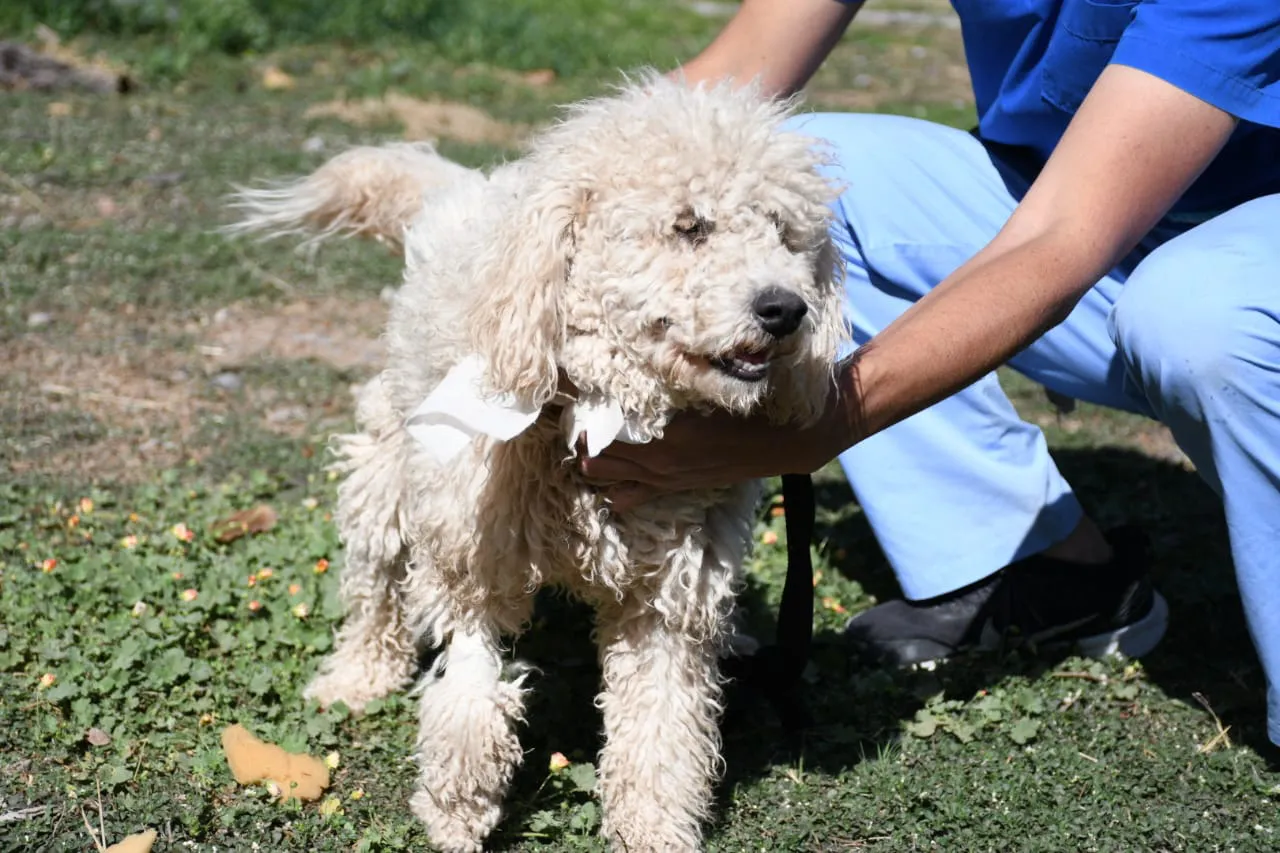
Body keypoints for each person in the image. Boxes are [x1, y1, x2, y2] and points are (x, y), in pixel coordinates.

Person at [579, 0, 1280, 750]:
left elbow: (1061, 238)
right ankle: (1033, 565)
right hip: (1071, 200)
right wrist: (519, 218)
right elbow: (726, 79)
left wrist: (818, 428)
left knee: (1197, 314)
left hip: (1223, 244)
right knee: (807, 173)